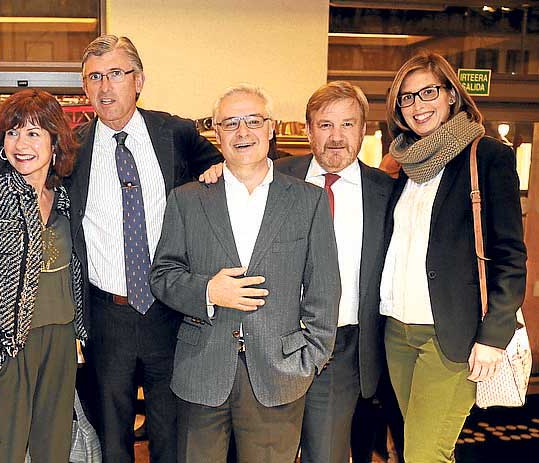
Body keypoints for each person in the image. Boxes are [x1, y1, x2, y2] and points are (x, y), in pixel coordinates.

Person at [0, 35, 222, 462]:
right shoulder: (73, 148)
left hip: (170, 314)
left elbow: (237, 163)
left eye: (116, 74)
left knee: (172, 436)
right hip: (105, 317)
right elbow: (25, 167)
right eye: (94, 77)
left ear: (138, 80)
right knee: (110, 438)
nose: (105, 87)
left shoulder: (175, 133)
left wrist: (217, 171)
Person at [149, 84, 340, 462]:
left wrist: (310, 359)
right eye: (230, 123)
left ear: (270, 128)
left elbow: (324, 288)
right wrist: (207, 291)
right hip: (201, 371)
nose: (242, 132)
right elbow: (162, 275)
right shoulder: (187, 199)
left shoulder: (308, 200)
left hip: (280, 374)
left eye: (253, 121)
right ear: (215, 134)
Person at [380, 51, 526, 462]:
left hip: (451, 335)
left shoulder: (487, 157)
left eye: (428, 92)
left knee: (425, 454)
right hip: (396, 332)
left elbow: (510, 256)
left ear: (450, 95)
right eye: (406, 98)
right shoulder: (401, 166)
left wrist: (493, 336)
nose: (417, 105)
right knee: (417, 450)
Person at [0, 89, 86, 462]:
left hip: (61, 339)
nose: (20, 144)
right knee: (6, 451)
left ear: (54, 141)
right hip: (7, 344)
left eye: (33, 133)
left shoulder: (64, 197)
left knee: (53, 447)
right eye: (12, 133)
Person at [273, 81, 393, 463]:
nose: (336, 137)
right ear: (308, 131)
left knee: (324, 453)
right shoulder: (272, 178)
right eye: (325, 125)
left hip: (341, 347)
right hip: (271, 343)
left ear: (362, 130)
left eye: (347, 124)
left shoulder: (387, 193)